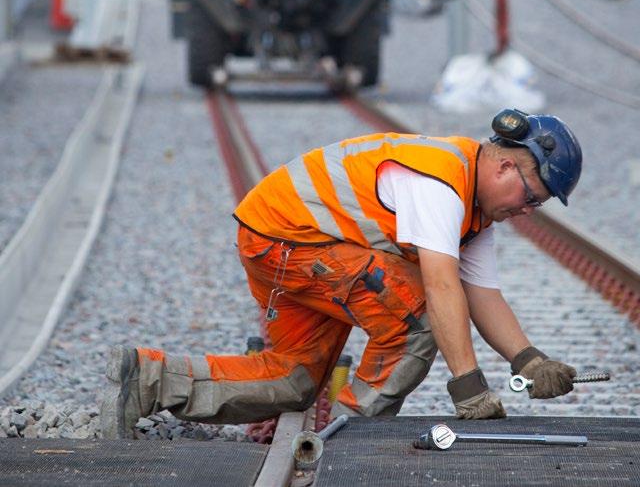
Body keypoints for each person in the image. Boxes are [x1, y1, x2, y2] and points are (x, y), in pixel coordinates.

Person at [100, 108, 583, 439]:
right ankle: (346, 440)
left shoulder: (472, 213)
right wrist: (469, 386)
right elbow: (440, 287)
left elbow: (483, 295)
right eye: (532, 198)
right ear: (503, 168)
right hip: (290, 242)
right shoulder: (442, 181)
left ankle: (146, 378)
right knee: (417, 316)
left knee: (293, 381)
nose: (528, 212)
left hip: (295, 245)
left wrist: (529, 361)